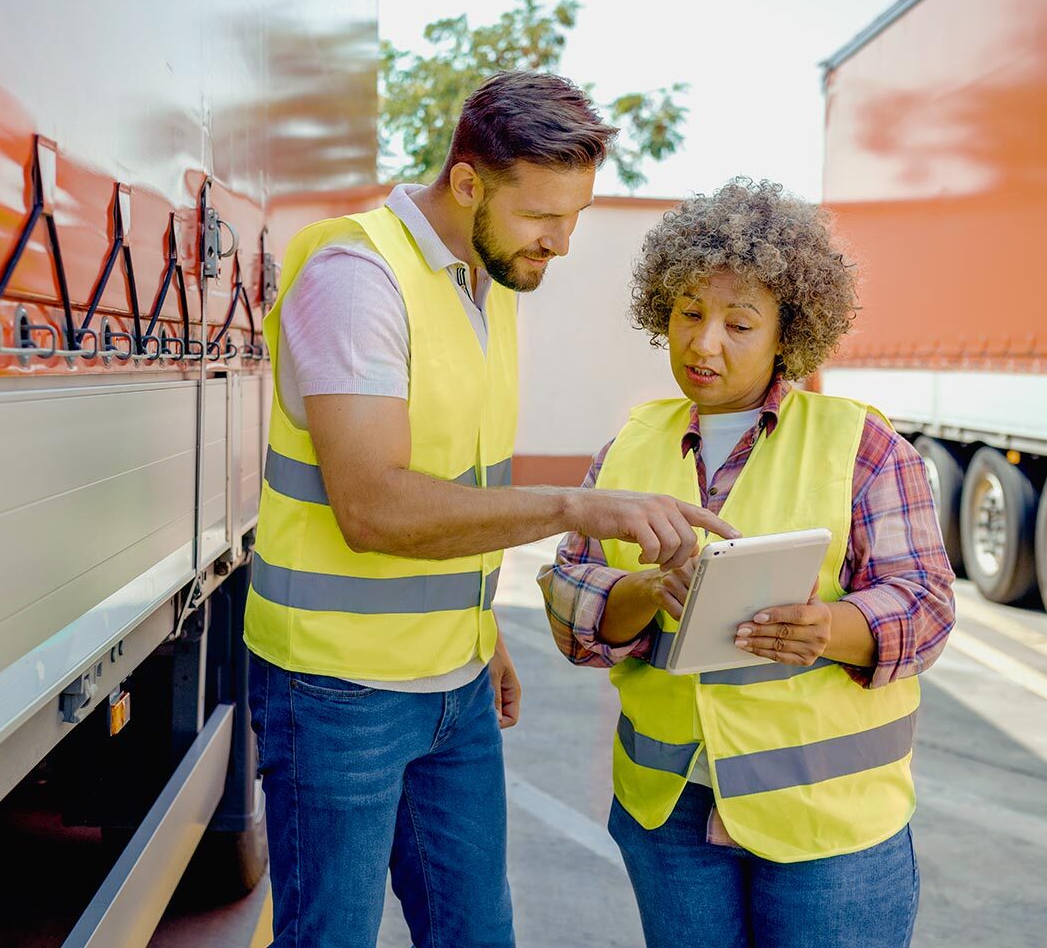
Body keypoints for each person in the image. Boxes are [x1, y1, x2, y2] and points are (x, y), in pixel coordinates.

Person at [245, 71, 736, 948]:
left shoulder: (487, 280)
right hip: (336, 691)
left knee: (477, 934)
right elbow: (373, 507)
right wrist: (578, 506)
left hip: (454, 686)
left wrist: (485, 629)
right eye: (544, 216)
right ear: (467, 182)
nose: (563, 242)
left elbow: (458, 486)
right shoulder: (359, 279)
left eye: (577, 215)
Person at [539, 178, 955, 948]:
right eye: (689, 313)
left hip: (827, 829)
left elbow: (926, 606)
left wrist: (830, 627)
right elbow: (569, 602)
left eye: (739, 322)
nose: (704, 344)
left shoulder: (861, 448)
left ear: (784, 334)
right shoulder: (629, 447)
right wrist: (639, 591)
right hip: (670, 818)